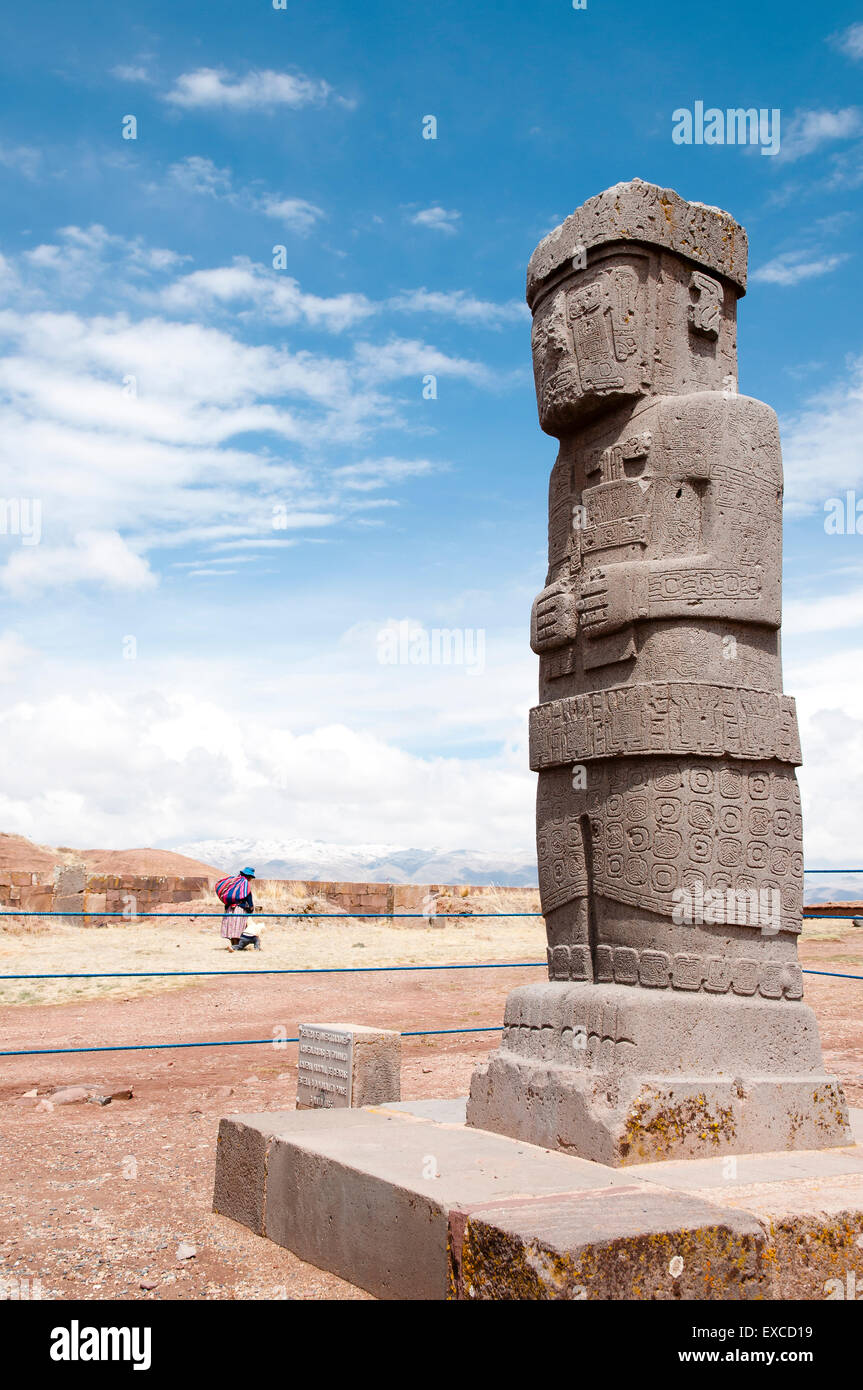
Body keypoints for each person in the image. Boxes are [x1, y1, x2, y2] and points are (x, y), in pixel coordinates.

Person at [219, 866, 261, 952]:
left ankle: (233, 945)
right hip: (239, 908)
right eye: (251, 877)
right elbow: (248, 896)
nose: (251, 879)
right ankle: (237, 946)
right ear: (249, 876)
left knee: (231, 926)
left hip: (229, 909)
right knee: (237, 927)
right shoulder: (245, 883)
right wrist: (251, 908)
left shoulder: (234, 881)